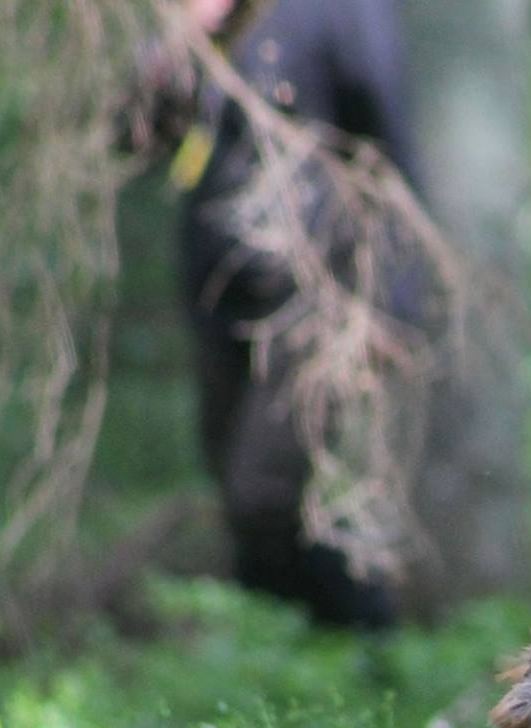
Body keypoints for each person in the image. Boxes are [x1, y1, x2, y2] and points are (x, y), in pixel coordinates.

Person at [132, 0, 422, 628]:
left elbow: (389, 147)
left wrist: (392, 304)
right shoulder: (203, 27)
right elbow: (138, 140)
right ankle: (287, 650)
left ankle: (370, 635)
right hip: (218, 294)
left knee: (263, 493)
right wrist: (181, 43)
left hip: (316, 298)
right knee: (241, 500)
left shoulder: (343, 12)